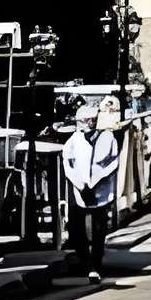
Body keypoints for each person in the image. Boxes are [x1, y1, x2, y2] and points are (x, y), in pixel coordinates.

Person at [59, 100, 122, 278]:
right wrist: (80, 185)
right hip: (80, 191)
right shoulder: (73, 141)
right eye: (83, 121)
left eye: (89, 120)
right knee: (78, 230)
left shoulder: (108, 138)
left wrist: (96, 181)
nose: (87, 124)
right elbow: (68, 165)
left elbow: (113, 162)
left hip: (100, 191)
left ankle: (96, 262)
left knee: (99, 229)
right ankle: (86, 262)